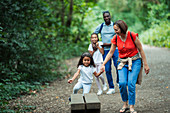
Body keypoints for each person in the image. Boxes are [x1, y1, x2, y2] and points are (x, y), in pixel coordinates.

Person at [100, 20, 150, 113]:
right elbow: (111, 52)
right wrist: (103, 64)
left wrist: (146, 64)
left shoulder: (132, 35)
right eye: (114, 29)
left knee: (131, 84)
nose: (115, 31)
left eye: (117, 29)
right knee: (122, 83)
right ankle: (125, 103)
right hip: (122, 62)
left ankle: (131, 106)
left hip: (135, 61)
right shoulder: (115, 38)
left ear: (122, 28)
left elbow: (141, 49)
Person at [94, 11, 119, 94]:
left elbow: (119, 34)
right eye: (104, 17)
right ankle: (111, 87)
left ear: (110, 16)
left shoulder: (114, 25)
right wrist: (99, 43)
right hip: (105, 50)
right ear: (103, 17)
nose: (106, 18)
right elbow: (94, 34)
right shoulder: (101, 26)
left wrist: (113, 43)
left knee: (118, 66)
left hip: (115, 49)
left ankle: (118, 81)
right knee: (107, 69)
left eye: (107, 16)